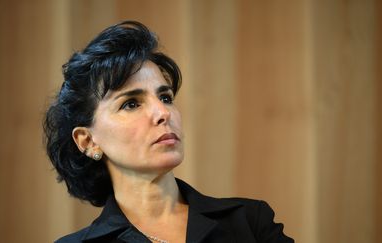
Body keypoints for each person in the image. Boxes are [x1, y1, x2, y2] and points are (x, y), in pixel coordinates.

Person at [44, 20, 294, 243]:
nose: (163, 113)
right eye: (131, 103)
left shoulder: (250, 223)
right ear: (88, 141)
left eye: (165, 97)